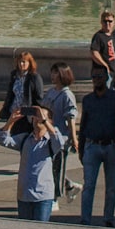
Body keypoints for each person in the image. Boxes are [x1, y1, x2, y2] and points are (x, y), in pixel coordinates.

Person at [77, 66, 115, 227]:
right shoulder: (88, 99)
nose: (97, 80)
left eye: (100, 77)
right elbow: (83, 126)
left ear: (106, 78)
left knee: (111, 186)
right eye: (94, 77)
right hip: (92, 146)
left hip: (111, 146)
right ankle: (85, 219)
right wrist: (81, 148)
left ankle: (108, 218)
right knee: (88, 185)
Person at [0, 105, 67, 221]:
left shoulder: (50, 141)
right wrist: (11, 121)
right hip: (24, 195)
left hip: (43, 196)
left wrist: (44, 121)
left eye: (41, 116)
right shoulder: (25, 139)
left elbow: (60, 142)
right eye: (35, 116)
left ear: (50, 121)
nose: (37, 119)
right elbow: (2, 140)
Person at [42, 62, 81, 204]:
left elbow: (71, 118)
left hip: (61, 137)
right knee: (49, 166)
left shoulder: (67, 95)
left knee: (57, 167)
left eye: (56, 73)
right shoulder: (51, 92)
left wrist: (74, 138)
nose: (53, 76)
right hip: (47, 135)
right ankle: (69, 186)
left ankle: (54, 198)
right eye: (52, 72)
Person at [0, 51, 43, 135]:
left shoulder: (34, 77)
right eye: (20, 62)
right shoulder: (15, 75)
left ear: (29, 63)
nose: (21, 64)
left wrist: (36, 114)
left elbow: (39, 97)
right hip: (13, 112)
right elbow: (10, 94)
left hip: (26, 114)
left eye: (24, 62)